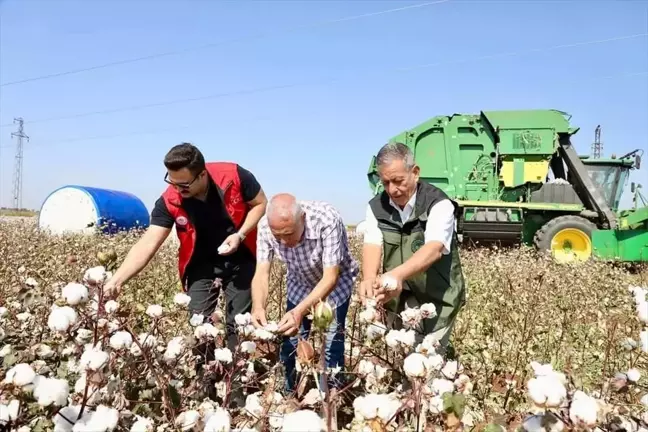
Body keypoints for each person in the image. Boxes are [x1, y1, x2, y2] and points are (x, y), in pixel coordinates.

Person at [103, 143, 267, 399]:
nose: (177, 188)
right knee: (199, 324)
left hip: (241, 257)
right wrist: (117, 279)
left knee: (238, 324)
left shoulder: (234, 175)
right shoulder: (169, 200)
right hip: (201, 264)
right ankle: (207, 388)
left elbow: (260, 203)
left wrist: (240, 233)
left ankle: (236, 392)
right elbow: (149, 242)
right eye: (172, 181)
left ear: (202, 174)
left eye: (184, 184)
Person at [359, 141, 466, 354]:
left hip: (438, 296)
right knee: (400, 353)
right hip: (397, 298)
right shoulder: (376, 207)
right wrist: (369, 279)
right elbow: (372, 243)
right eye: (386, 182)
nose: (392, 190)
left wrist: (396, 276)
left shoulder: (438, 204)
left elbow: (434, 248)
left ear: (415, 172)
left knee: (429, 358)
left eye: (398, 181)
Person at [250, 193, 359, 393]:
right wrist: (258, 306)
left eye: (289, 234)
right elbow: (262, 273)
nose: (283, 242)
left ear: (303, 219)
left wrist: (299, 312)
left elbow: (330, 277)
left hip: (335, 285)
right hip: (300, 283)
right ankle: (287, 395)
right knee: (290, 342)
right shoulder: (265, 226)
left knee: (331, 343)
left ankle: (331, 399)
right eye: (278, 236)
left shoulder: (326, 219)